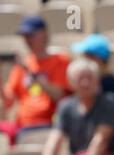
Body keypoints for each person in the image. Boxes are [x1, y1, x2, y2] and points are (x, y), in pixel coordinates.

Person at [28, 58, 114, 155]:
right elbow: (55, 139)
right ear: (71, 82)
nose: (85, 83)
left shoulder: (108, 103)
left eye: (89, 78)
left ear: (97, 81)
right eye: (80, 78)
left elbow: (101, 140)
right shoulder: (65, 106)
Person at [0, 16, 70, 144]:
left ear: (44, 34)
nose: (27, 40)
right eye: (24, 36)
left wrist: (34, 76)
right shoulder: (21, 65)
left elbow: (60, 96)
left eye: (30, 35)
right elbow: (9, 101)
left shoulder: (60, 61)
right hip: (21, 125)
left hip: (49, 125)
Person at [72, 34, 114, 102]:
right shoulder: (80, 79)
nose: (84, 60)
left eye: (88, 56)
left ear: (100, 60)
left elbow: (110, 107)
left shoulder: (111, 82)